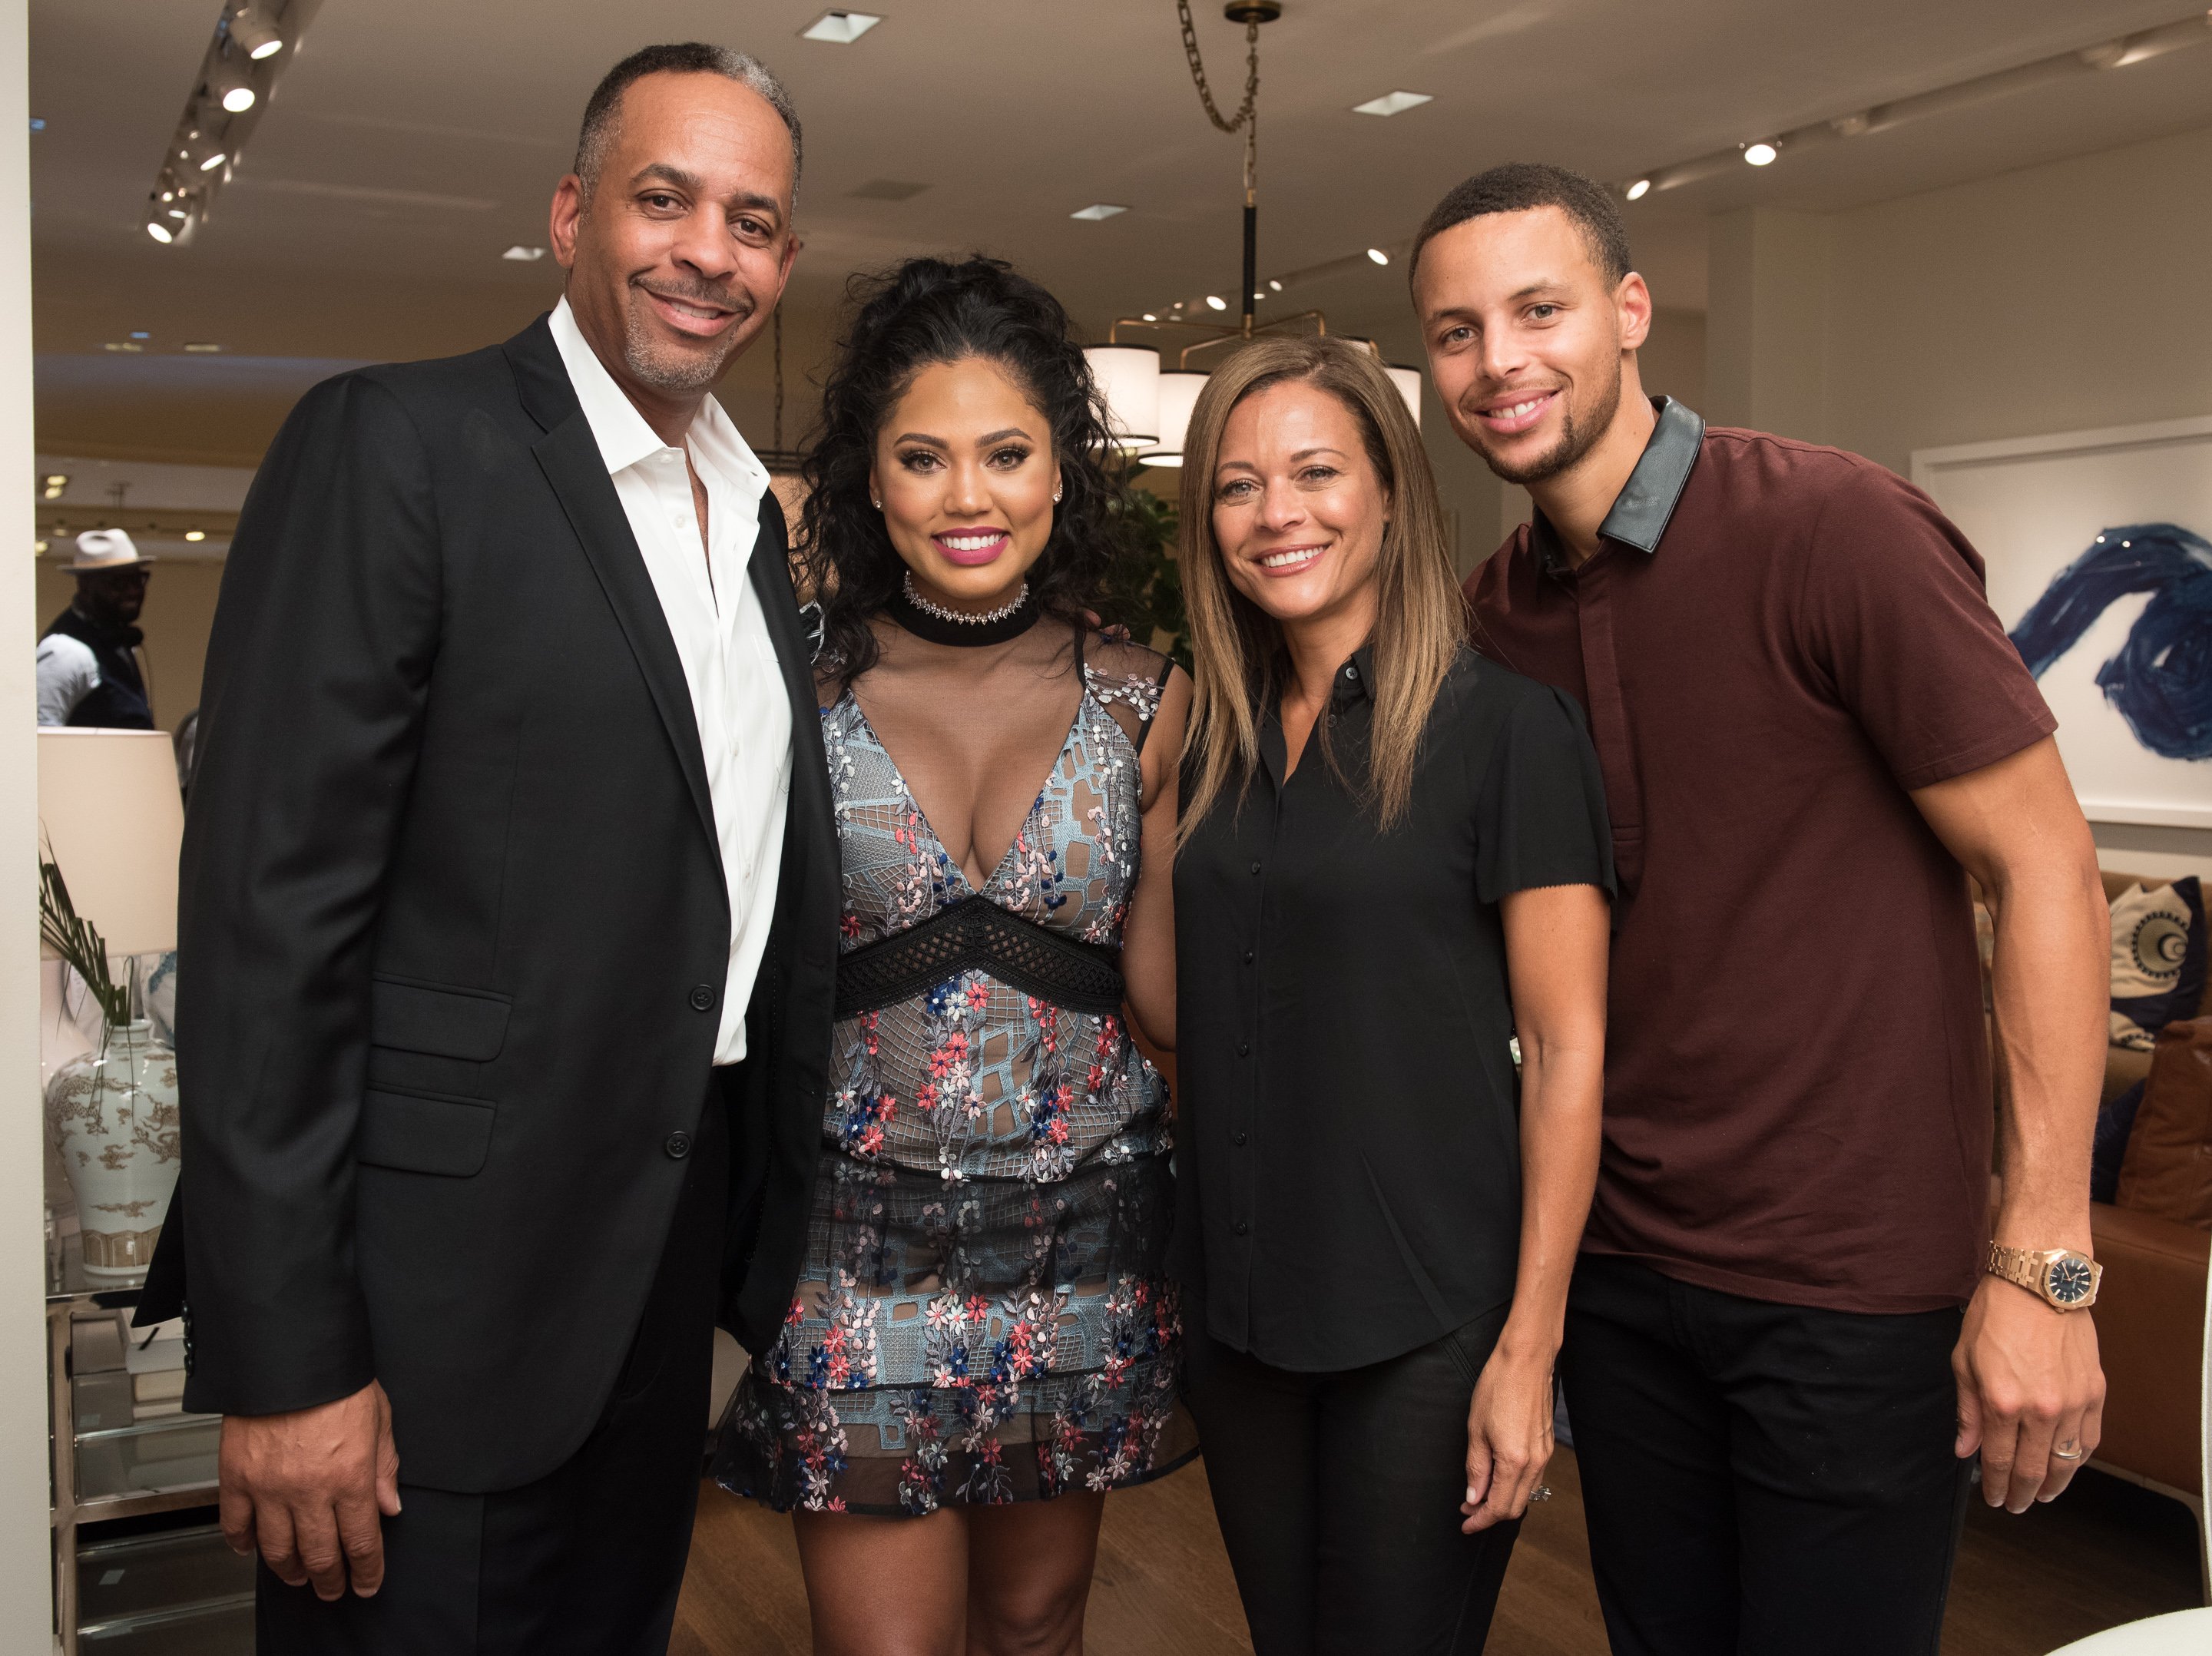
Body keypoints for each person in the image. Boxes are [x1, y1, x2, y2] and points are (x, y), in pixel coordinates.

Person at [134, 44, 840, 1654]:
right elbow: (269, 925)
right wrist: (291, 1355)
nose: (705, 252)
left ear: (783, 263)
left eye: (750, 221)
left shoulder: (750, 526)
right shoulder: (397, 446)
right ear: (572, 214)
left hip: (654, 1287)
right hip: (420, 1314)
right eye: (664, 200)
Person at [1414, 163, 2110, 1654]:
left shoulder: (1836, 529)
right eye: (1457, 331)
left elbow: (2045, 865)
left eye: (1539, 310)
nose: (1500, 361)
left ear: (1630, 310)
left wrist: (2044, 1260)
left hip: (1846, 1282)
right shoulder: (1491, 622)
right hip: (1616, 1277)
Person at [714, 255, 1197, 1654]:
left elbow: (1165, 1000)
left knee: (1039, 1627)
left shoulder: (1143, 699)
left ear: (1062, 474)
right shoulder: (793, 696)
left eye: (1005, 455)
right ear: (872, 480)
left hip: (1090, 1227)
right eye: (923, 458)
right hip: (856, 1235)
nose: (968, 497)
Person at [1172, 333, 1614, 1654]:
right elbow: (1166, 994)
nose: (1277, 514)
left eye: (1315, 472)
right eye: (1239, 484)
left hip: (1428, 1317)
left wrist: (1529, 1351)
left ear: (1389, 494)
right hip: (1243, 1303)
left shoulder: (1506, 728)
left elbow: (1568, 1045)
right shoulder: (1209, 733)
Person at [38, 528, 157, 727]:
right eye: (118, 583)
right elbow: (43, 737)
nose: (133, 591)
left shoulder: (121, 643)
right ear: (85, 585)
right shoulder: (64, 652)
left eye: (138, 579)